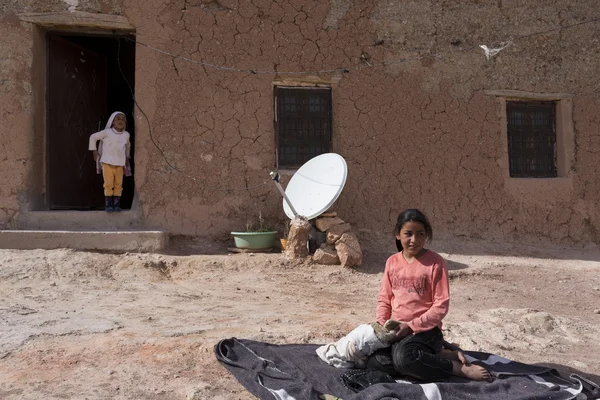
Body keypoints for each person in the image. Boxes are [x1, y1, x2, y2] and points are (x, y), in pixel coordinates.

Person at [366, 209, 490, 381]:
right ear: (397, 235)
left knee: (404, 358)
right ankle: (439, 354)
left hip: (426, 330)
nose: (414, 240)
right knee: (375, 363)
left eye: (420, 234)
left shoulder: (436, 263)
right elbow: (384, 299)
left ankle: (456, 368)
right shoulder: (392, 262)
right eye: (408, 234)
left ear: (427, 236)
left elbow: (440, 306)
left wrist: (411, 326)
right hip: (397, 329)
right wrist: (382, 325)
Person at [88, 112, 131, 212]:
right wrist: (94, 151)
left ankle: (116, 205)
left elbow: (127, 146)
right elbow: (93, 137)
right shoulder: (107, 132)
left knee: (118, 184)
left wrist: (127, 157)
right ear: (113, 122)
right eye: (118, 119)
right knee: (108, 184)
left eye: (123, 119)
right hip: (107, 163)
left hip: (119, 164)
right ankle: (108, 205)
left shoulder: (126, 135)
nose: (120, 121)